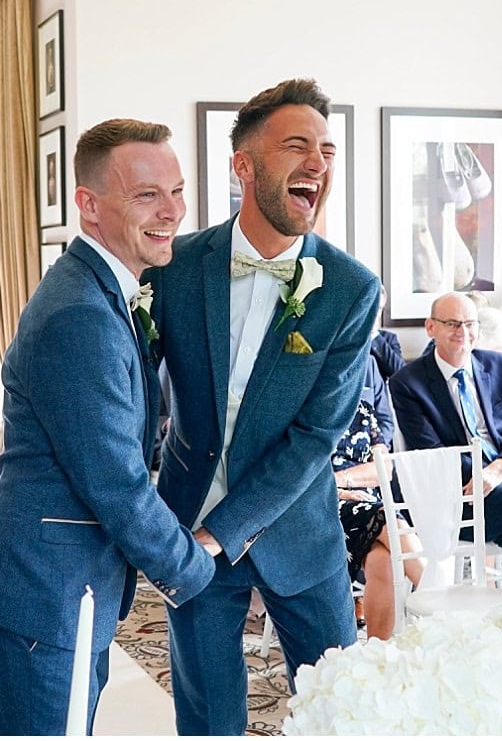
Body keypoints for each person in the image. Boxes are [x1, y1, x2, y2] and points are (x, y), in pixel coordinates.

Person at [0, 119, 216, 735]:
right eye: (147, 195)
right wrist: (199, 569)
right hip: (43, 590)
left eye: (177, 191)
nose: (172, 211)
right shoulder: (81, 314)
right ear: (89, 205)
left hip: (58, 582)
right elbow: (116, 484)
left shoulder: (100, 289)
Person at [142, 78, 379, 735]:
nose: (318, 163)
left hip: (298, 532)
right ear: (242, 166)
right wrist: (141, 512)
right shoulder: (173, 267)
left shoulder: (352, 288)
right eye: (297, 146)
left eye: (328, 151)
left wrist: (225, 530)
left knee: (338, 712)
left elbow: (316, 436)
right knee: (208, 718)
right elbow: (136, 394)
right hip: (189, 527)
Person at [390, 293, 502, 590]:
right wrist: (482, 475)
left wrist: (501, 469)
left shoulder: (501, 366)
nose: (463, 332)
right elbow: (432, 453)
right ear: (430, 327)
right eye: (452, 323)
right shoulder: (407, 383)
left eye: (470, 323)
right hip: (453, 500)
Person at [332, 359, 422, 640]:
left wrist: (339, 479)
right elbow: (300, 477)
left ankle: (376, 651)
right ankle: (439, 601)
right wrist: (337, 488)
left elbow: (384, 470)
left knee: (383, 561)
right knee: (388, 519)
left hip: (369, 503)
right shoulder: (302, 414)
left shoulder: (363, 412)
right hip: (323, 506)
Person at [369, 283, 405, 380]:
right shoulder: (344, 336)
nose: (375, 312)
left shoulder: (389, 339)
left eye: (379, 308)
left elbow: (400, 374)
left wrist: (374, 335)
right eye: (371, 306)